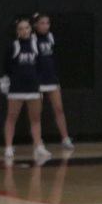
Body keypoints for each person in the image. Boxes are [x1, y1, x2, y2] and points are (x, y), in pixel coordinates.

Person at [1, 17, 49, 161]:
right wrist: (8, 82)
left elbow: (40, 66)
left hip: (33, 89)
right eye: (21, 28)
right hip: (16, 89)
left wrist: (38, 84)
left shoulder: (35, 45)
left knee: (35, 119)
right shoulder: (13, 46)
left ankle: (38, 145)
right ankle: (8, 147)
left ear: (30, 29)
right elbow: (6, 67)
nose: (24, 31)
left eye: (26, 28)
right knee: (11, 118)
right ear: (17, 32)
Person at [31, 13, 72, 150]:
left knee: (59, 109)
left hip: (51, 79)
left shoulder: (51, 37)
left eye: (47, 23)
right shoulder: (32, 39)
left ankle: (65, 138)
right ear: (36, 24)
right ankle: (38, 141)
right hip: (37, 81)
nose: (45, 26)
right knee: (37, 113)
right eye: (42, 23)